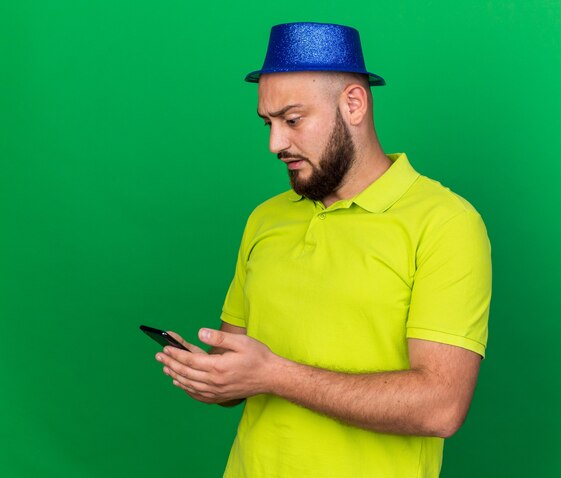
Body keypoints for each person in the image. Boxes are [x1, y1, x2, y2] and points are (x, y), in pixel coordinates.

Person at [155, 22, 492, 478]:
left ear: (353, 103)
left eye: (292, 120)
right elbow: (240, 365)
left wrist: (273, 375)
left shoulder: (445, 222)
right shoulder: (265, 218)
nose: (276, 143)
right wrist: (213, 377)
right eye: (268, 123)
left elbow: (441, 406)